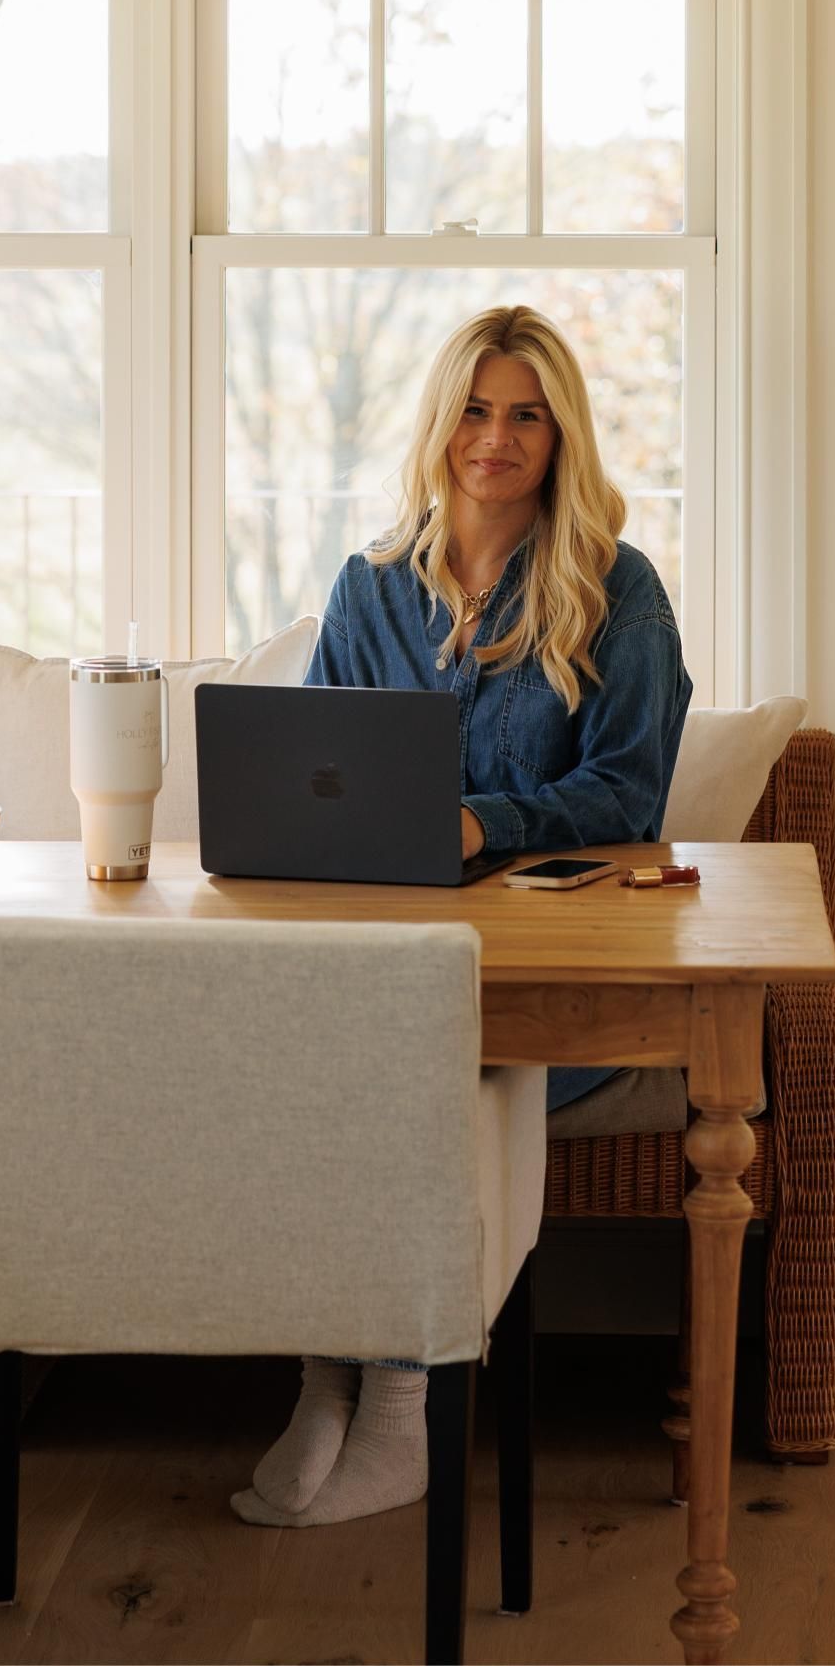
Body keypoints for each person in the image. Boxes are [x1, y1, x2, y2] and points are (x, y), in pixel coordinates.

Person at [231, 302, 692, 1531]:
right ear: (442, 422)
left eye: (526, 415)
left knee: (400, 1078)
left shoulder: (616, 589)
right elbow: (319, 767)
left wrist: (485, 819)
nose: (495, 437)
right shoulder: (368, 586)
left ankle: (398, 1401)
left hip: (556, 972)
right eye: (477, 409)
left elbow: (630, 791)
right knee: (323, 1060)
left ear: (560, 434)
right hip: (386, 956)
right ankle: (323, 1380)